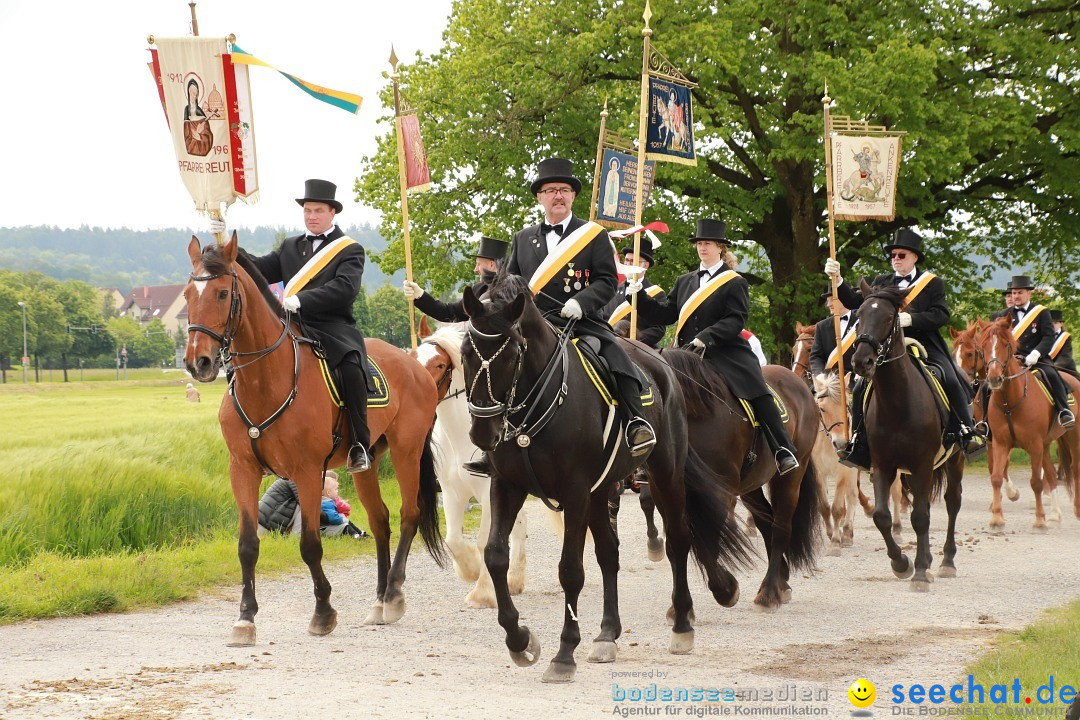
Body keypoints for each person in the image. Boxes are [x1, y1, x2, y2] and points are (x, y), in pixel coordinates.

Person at [215, 179, 373, 473]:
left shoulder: (350, 249)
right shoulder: (290, 246)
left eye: (318, 211)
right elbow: (258, 268)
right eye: (307, 210)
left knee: (351, 367)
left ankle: (359, 445)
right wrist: (223, 238)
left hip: (332, 325)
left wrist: (302, 299)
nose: (312, 216)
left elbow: (345, 288)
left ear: (332, 213)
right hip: (291, 324)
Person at [506, 157, 656, 458]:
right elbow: (512, 285)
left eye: (563, 189)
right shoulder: (522, 239)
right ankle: (496, 440)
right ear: (540, 197)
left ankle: (635, 421)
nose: (557, 195)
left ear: (573, 195)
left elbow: (606, 280)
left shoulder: (593, 234)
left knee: (615, 357)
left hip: (582, 322)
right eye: (550, 190)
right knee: (497, 364)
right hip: (536, 325)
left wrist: (580, 301)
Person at [629, 217, 799, 475]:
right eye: (699, 243)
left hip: (725, 351)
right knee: (657, 387)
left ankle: (782, 448)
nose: (702, 248)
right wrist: (638, 294)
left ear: (720, 247)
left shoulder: (734, 281)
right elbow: (665, 314)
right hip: (687, 353)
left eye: (707, 243)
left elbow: (735, 319)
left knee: (756, 388)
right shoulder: (684, 281)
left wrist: (707, 336)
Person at [824, 229, 986, 471]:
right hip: (887, 347)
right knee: (859, 387)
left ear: (914, 258)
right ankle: (859, 441)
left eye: (901, 254)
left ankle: (965, 430)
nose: (896, 258)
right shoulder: (881, 282)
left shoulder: (932, 283)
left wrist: (913, 320)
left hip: (925, 344)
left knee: (951, 378)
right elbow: (856, 302)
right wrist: (838, 280)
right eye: (893, 255)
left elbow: (941, 314)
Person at [1007, 275, 1075, 427]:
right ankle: (982, 421)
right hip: (1009, 360)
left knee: (1051, 375)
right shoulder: (1003, 315)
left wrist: (1036, 353)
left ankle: (1064, 411)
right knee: (987, 383)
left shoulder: (1041, 312)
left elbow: (1048, 337)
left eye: (1020, 292)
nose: (1016, 296)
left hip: (1036, 358)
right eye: (1014, 293)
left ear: (1029, 293)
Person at [402, 236, 509, 323]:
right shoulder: (479, 289)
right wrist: (419, 295)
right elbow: (448, 313)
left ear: (491, 265)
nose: (475, 269)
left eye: (478, 264)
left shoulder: (513, 291)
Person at [602, 238, 668, 348]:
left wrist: (635, 338)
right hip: (610, 346)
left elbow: (658, 329)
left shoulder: (656, 293)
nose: (628, 264)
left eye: (633, 261)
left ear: (645, 265)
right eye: (627, 260)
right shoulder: (612, 289)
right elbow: (603, 319)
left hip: (640, 349)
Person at [809, 290, 857, 380]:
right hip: (827, 381)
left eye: (832, 300)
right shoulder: (821, 326)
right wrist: (819, 375)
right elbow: (816, 356)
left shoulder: (861, 322)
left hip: (854, 381)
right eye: (828, 301)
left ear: (844, 300)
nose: (828, 305)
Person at [1050, 309, 1076, 373]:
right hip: (1046, 365)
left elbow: (1065, 357)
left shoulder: (1066, 337)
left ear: (1061, 324)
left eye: (1055, 323)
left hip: (1064, 367)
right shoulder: (1043, 335)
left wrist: (1054, 367)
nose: (1053, 325)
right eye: (1050, 323)